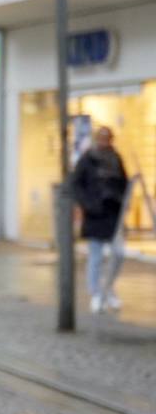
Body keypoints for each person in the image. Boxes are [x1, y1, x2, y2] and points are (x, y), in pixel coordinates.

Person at [72, 125, 128, 313]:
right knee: (95, 256)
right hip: (95, 213)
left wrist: (122, 199)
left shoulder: (116, 159)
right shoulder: (87, 160)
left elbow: (123, 183)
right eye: (102, 138)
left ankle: (108, 288)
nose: (105, 142)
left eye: (108, 139)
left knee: (118, 253)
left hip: (113, 214)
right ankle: (95, 293)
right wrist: (88, 204)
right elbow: (76, 184)